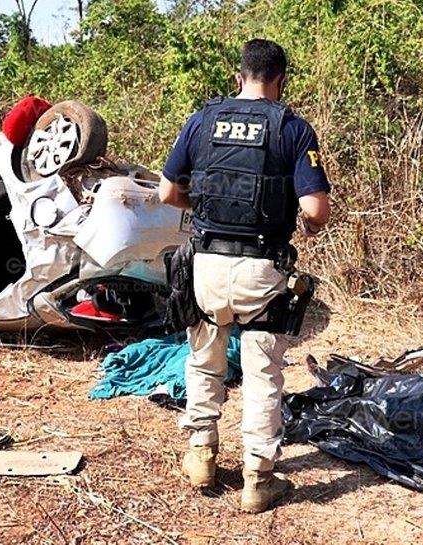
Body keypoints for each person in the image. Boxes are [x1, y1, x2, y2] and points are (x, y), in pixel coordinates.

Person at [158, 38, 331, 513]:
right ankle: (259, 478)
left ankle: (201, 456)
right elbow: (315, 208)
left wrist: (206, 208)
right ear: (281, 81)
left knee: (204, 360)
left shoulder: (201, 120)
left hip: (206, 264)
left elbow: (167, 193)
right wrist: (310, 225)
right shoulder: (292, 129)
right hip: (262, 269)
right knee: (262, 374)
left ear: (239, 78)